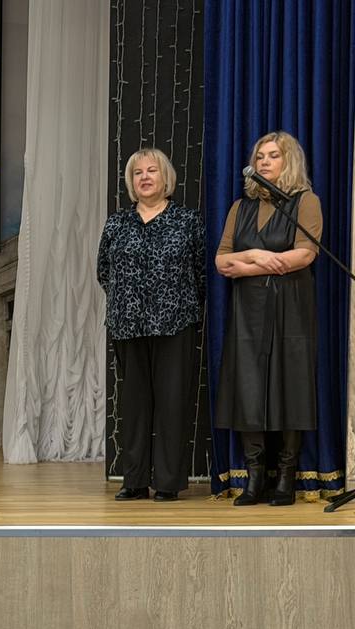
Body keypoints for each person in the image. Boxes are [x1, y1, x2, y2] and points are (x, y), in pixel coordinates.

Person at [214, 131, 322, 507]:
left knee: (290, 384)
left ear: (289, 161)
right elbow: (222, 260)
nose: (263, 162)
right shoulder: (239, 208)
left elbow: (304, 255)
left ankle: (286, 478)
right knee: (248, 387)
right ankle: (254, 478)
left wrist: (247, 264)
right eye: (259, 156)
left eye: (273, 155)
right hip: (248, 310)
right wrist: (258, 256)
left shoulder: (305, 202)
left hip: (291, 306)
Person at [96, 147, 205, 502]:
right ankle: (134, 480)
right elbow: (104, 271)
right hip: (127, 325)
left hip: (175, 323)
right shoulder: (117, 223)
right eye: (137, 172)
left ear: (165, 177)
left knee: (172, 404)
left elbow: (201, 272)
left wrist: (178, 302)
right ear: (131, 182)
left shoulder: (187, 220)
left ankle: (169, 483)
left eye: (151, 170)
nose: (144, 177)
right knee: (134, 406)